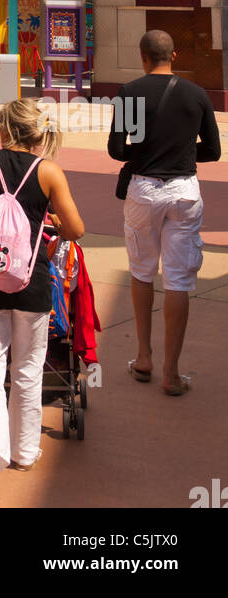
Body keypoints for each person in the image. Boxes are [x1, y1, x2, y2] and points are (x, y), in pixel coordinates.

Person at [0, 99, 84, 500]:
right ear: (37, 132)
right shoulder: (49, 172)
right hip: (33, 283)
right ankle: (25, 452)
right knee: (27, 369)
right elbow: (76, 228)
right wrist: (50, 221)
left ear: (5, 129)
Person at [108, 29, 221, 396]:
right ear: (174, 57)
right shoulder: (196, 94)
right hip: (184, 191)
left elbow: (117, 148)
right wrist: (183, 154)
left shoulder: (131, 93)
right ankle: (172, 373)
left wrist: (146, 151)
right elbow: (213, 151)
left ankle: (144, 357)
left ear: (143, 57)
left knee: (142, 272)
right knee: (179, 280)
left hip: (144, 189)